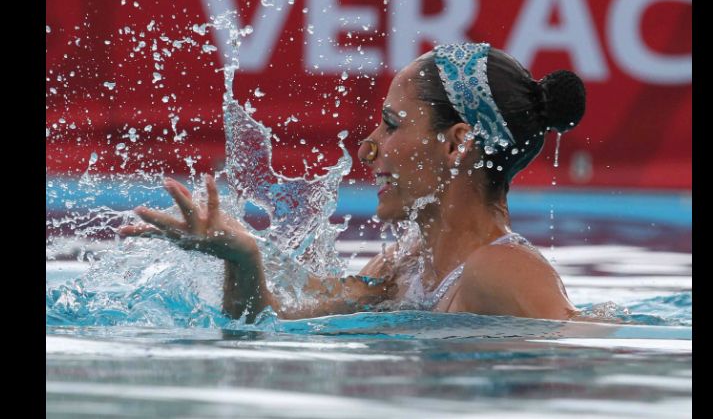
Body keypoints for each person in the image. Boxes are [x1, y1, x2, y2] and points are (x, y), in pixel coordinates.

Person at [119, 43, 586, 323]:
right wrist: (242, 257)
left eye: (392, 124)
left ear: (455, 143)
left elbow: (580, 373)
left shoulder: (502, 270)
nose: (367, 148)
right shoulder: (404, 267)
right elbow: (269, 320)